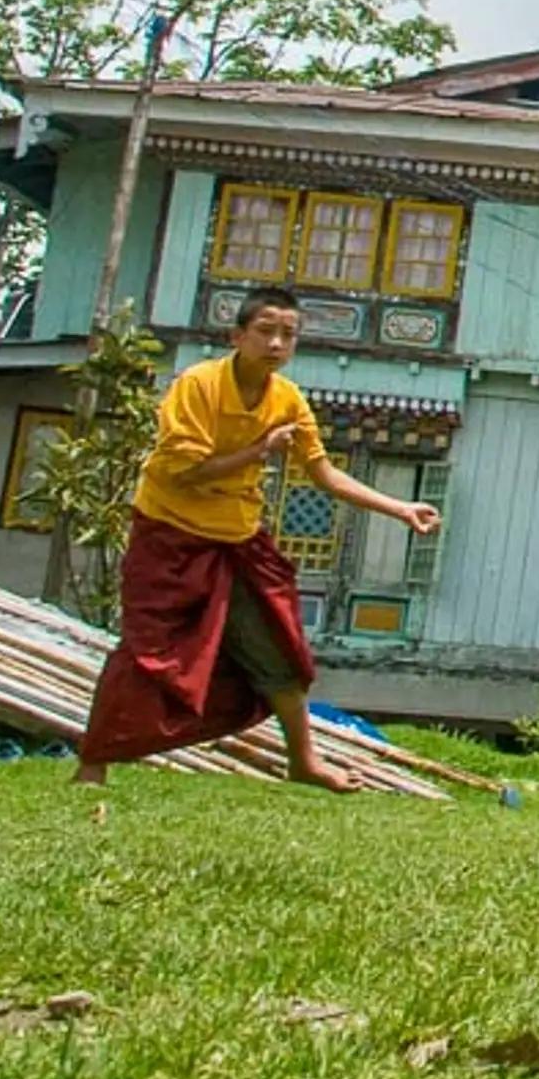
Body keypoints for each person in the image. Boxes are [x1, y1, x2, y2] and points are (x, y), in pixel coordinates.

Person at [76, 286, 439, 790]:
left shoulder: (287, 401)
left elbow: (324, 474)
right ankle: (93, 764)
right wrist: (258, 451)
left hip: (237, 540)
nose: (276, 344)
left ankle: (304, 762)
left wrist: (399, 508)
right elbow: (187, 473)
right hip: (170, 535)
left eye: (288, 334)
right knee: (146, 652)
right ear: (238, 335)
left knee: (278, 645)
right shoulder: (199, 386)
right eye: (266, 331)